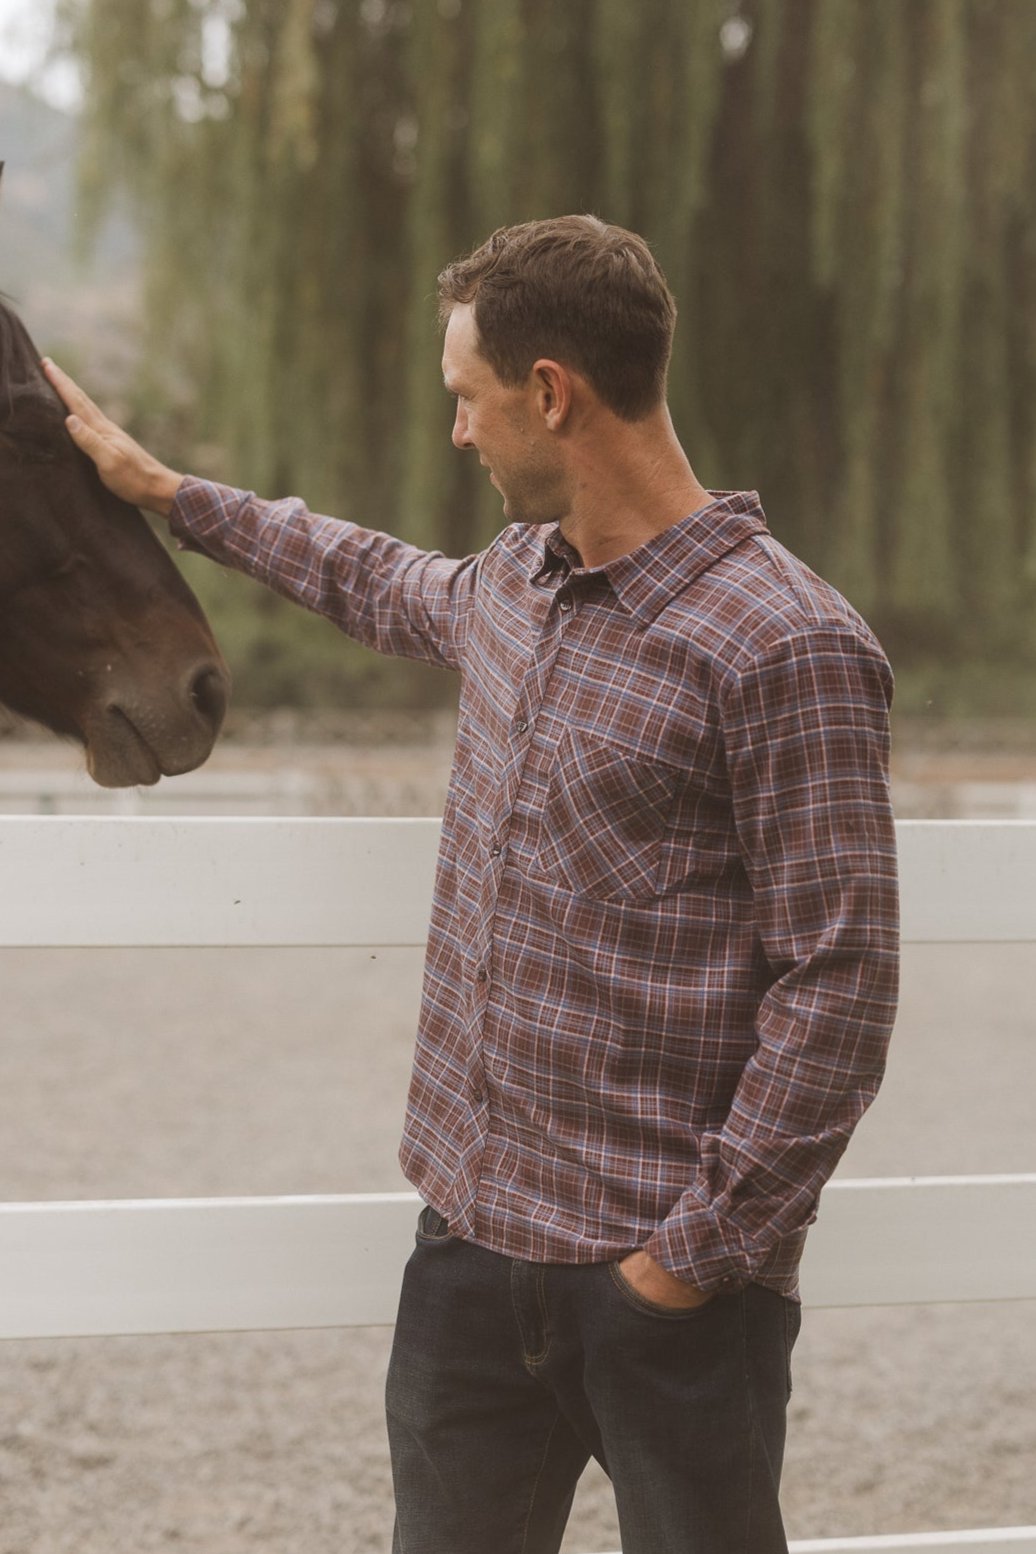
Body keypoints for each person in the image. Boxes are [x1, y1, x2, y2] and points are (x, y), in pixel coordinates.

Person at [44, 214, 899, 1554]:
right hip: (471, 1263)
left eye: (467, 399)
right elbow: (375, 578)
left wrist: (685, 1261)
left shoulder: (786, 644)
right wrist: (167, 493)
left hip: (668, 1294)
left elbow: (838, 987)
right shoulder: (516, 581)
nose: (458, 433)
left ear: (549, 392)